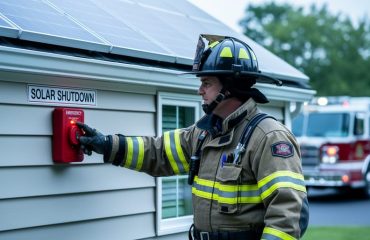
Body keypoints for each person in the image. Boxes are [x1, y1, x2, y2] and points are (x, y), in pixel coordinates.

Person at [77, 34, 309, 240]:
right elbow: (158, 153)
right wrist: (107, 145)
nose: (200, 90)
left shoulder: (268, 137)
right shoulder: (203, 134)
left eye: (206, 83)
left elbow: (288, 216)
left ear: (230, 87)